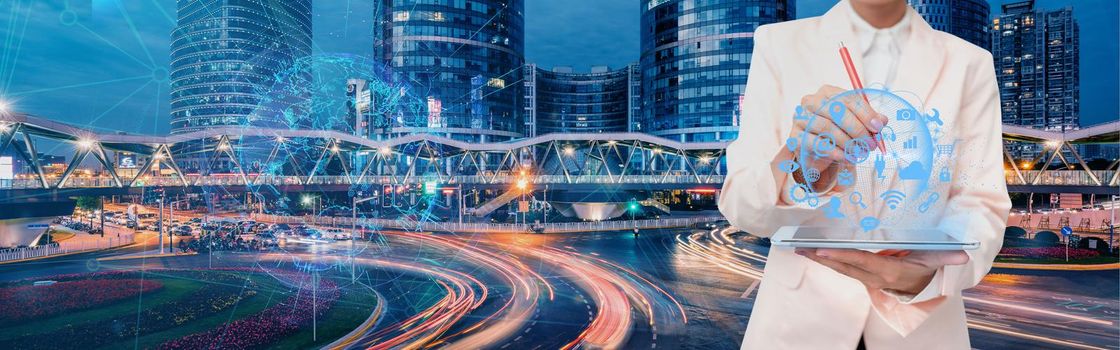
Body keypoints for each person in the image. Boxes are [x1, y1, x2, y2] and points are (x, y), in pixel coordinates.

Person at [718, 0, 1011, 349]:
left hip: (922, 329)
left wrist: (929, 276)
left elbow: (982, 204)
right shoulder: (778, 44)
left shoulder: (969, 63)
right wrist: (804, 170)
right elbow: (741, 205)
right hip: (797, 325)